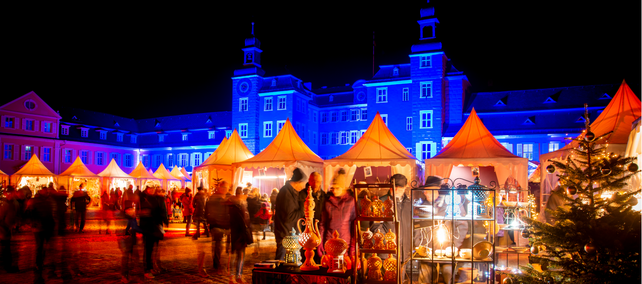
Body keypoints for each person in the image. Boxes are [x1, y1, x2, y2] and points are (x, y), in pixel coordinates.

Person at [416, 176, 469, 284]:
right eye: (425, 191)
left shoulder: (452, 205)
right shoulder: (422, 206)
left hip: (447, 251)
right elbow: (416, 227)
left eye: (428, 191)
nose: (425, 193)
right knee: (425, 275)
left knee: (448, 273)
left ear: (437, 191)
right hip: (427, 251)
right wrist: (420, 245)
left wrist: (453, 245)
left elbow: (462, 226)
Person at [369, 173, 413, 282]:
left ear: (405, 187)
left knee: (400, 281)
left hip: (404, 253)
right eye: (394, 186)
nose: (396, 189)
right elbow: (375, 226)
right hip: (387, 253)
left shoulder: (408, 203)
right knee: (387, 281)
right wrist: (386, 242)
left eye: (400, 186)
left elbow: (412, 226)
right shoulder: (381, 202)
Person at [318, 169, 356, 261]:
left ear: (343, 188)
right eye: (332, 188)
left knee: (343, 268)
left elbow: (354, 225)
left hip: (345, 242)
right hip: (329, 242)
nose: (334, 190)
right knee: (330, 267)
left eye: (337, 188)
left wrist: (353, 248)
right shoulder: (327, 202)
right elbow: (322, 224)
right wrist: (320, 243)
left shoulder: (351, 202)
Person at [273, 168, 308, 260]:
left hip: (289, 234)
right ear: (297, 182)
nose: (303, 187)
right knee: (282, 262)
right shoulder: (286, 193)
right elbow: (289, 217)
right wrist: (303, 209)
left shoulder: (291, 192)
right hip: (286, 235)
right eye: (303, 184)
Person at [25, 188, 55, 283]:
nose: (47, 193)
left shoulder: (45, 201)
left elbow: (50, 214)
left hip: (43, 226)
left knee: (41, 246)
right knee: (40, 246)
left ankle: (40, 262)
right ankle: (39, 263)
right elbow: (29, 214)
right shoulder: (36, 202)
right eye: (46, 192)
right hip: (39, 227)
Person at [139, 186, 167, 279]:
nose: (152, 190)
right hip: (149, 229)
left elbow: (160, 213)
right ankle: (147, 269)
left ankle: (150, 267)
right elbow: (145, 216)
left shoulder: (155, 200)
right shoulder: (147, 200)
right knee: (148, 250)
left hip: (153, 228)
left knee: (151, 250)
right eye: (150, 188)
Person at [206, 181, 231, 275]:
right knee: (218, 245)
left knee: (220, 245)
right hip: (217, 225)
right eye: (224, 187)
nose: (226, 189)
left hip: (223, 224)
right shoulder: (215, 198)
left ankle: (220, 263)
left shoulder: (226, 198)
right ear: (220, 188)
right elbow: (209, 212)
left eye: (227, 187)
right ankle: (216, 264)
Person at [228, 188, 253, 284]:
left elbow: (247, 221)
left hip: (241, 234)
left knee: (240, 256)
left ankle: (238, 275)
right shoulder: (234, 207)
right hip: (237, 233)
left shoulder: (242, 206)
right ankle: (233, 276)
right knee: (235, 256)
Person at [120, 206, 143, 283]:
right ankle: (124, 275)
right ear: (126, 211)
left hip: (131, 240)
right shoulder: (126, 219)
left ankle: (131, 274)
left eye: (132, 210)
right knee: (126, 258)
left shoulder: (132, 218)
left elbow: (135, 228)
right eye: (130, 210)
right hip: (126, 241)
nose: (133, 211)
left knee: (134, 257)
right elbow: (134, 228)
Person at [0, 186, 18, 273]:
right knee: (5, 249)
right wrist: (5, 227)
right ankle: (7, 267)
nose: (11, 195)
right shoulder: (5, 204)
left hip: (6, 229)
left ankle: (8, 266)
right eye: (10, 193)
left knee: (7, 249)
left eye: (12, 193)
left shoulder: (11, 203)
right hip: (3, 230)